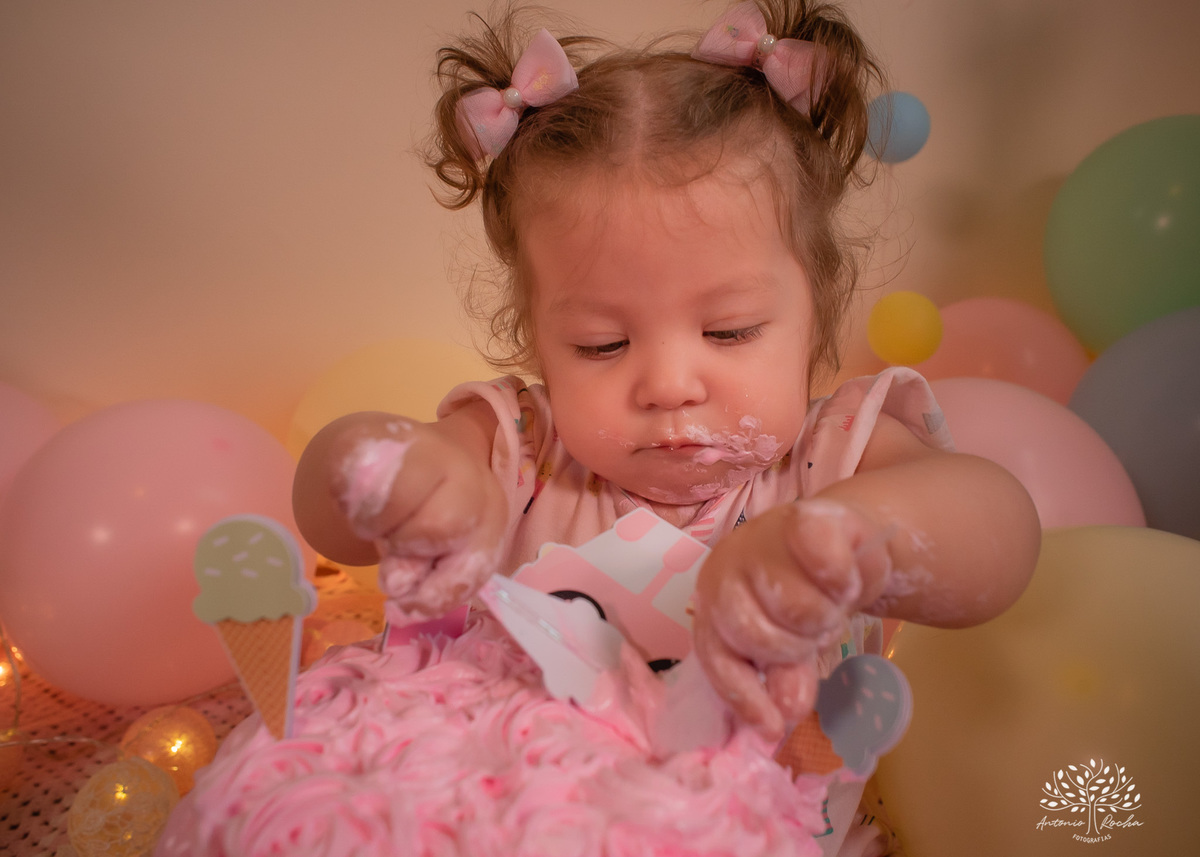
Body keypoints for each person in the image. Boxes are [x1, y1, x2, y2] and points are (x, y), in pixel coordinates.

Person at [292, 1, 1041, 853]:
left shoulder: (831, 457)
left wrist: (853, 535)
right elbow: (329, 521)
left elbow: (999, 534)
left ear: (814, 312)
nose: (670, 384)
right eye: (601, 344)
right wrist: (392, 472)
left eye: (728, 331)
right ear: (540, 339)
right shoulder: (522, 449)